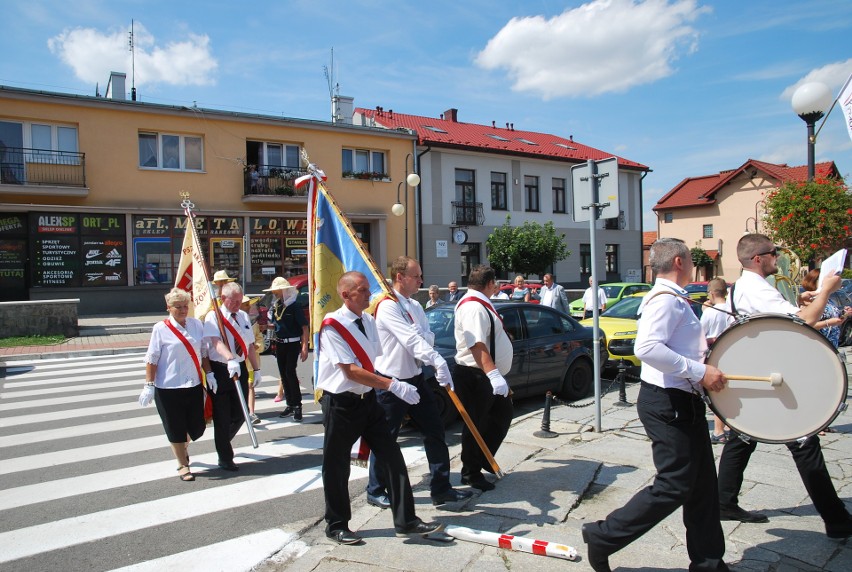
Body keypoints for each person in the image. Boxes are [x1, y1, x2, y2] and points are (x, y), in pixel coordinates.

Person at [580, 238, 730, 572]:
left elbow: (673, 346)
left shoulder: (675, 299)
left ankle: (708, 562)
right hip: (667, 403)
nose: (692, 264)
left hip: (682, 401)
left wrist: (703, 354)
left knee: (703, 486)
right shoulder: (665, 300)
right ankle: (604, 535)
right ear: (679, 262)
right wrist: (699, 370)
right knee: (675, 484)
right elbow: (647, 347)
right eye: (690, 259)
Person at [716, 234, 852, 538]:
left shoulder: (748, 285)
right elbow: (803, 322)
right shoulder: (755, 287)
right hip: (772, 375)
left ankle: (724, 501)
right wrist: (825, 292)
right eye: (772, 253)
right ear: (757, 259)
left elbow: (780, 315)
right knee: (804, 440)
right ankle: (837, 520)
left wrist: (799, 299)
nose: (778, 257)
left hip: (764, 369)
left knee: (743, 438)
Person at [317, 271, 443, 545]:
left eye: (367, 289)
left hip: (368, 400)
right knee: (337, 466)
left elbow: (375, 361)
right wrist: (393, 386)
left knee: (392, 457)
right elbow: (350, 371)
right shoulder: (332, 326)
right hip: (341, 403)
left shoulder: (370, 321)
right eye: (362, 290)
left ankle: (406, 521)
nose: (368, 295)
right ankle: (336, 525)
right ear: (346, 294)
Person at [366, 257, 473, 509]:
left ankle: (441, 488)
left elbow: (429, 336)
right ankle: (375, 489)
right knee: (385, 437)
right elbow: (411, 340)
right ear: (400, 277)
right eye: (416, 276)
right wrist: (437, 360)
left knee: (435, 431)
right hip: (391, 383)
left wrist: (425, 344)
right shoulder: (387, 306)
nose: (422, 281)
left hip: (414, 377)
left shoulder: (415, 304)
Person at [453, 265, 513, 491]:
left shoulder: (479, 303)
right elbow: (476, 345)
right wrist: (494, 375)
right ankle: (470, 472)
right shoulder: (474, 308)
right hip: (476, 375)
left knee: (501, 414)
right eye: (495, 283)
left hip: (485, 374)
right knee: (475, 424)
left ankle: (483, 459)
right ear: (490, 284)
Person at [140, 288, 210, 481]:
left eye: (185, 306)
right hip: (168, 388)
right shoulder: (160, 329)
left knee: (197, 427)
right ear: (168, 308)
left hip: (193, 384)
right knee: (175, 427)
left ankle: (182, 446)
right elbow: (152, 358)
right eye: (178, 307)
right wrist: (149, 384)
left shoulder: (196, 325)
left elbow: (203, 352)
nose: (182, 310)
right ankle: (182, 464)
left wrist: (209, 373)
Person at [203, 282, 262, 471]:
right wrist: (230, 358)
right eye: (234, 301)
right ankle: (225, 456)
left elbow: (250, 345)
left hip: (241, 369)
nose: (238, 304)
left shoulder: (243, 315)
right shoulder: (214, 316)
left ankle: (221, 440)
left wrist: (256, 368)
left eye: (240, 300)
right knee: (222, 415)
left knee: (240, 412)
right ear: (223, 299)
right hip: (222, 369)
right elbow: (216, 342)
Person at [265, 276, 309, 421]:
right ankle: (290, 404)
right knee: (283, 374)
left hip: (292, 343)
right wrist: (264, 327)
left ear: (284, 291)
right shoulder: (278, 305)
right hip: (280, 343)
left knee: (290, 372)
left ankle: (298, 406)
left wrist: (304, 346)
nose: (275, 294)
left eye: (277, 291)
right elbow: (276, 324)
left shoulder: (294, 306)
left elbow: (304, 326)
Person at [699, 278, 731, 444]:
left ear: (711, 293)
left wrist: (705, 310)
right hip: (731, 354)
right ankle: (727, 427)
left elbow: (699, 335)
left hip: (714, 355)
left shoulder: (710, 313)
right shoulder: (732, 309)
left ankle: (718, 431)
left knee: (716, 393)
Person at [801, 268, 851, 348]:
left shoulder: (828, 300)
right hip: (817, 346)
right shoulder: (807, 300)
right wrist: (828, 323)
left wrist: (844, 315)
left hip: (832, 346)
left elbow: (834, 321)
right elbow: (805, 324)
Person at [240, 295, 265, 425]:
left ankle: (251, 412)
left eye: (249, 304)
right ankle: (241, 411)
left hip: (251, 362)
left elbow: (260, 339)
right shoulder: (231, 321)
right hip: (238, 362)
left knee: (250, 386)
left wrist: (257, 346)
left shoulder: (253, 323)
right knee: (240, 387)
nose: (248, 307)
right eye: (245, 304)